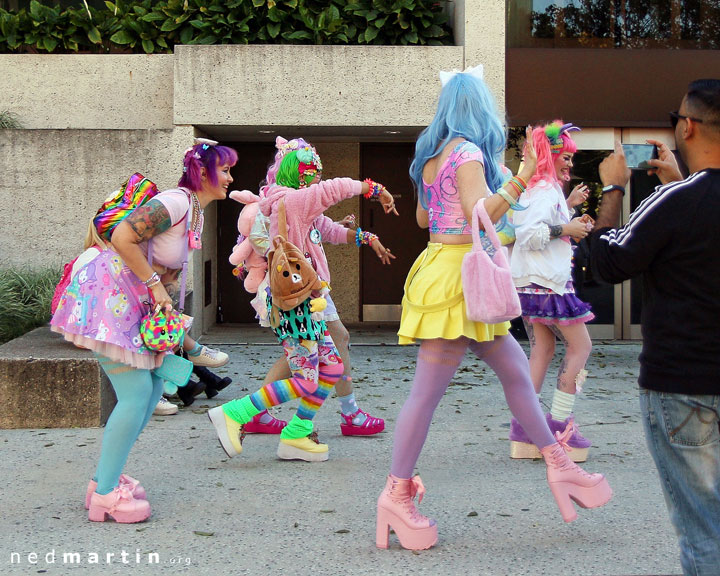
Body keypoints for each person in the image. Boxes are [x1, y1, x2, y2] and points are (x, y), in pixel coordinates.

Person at [375, 65, 612, 551]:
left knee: (515, 374)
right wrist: (522, 176)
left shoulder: (432, 156)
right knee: (428, 392)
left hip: (448, 270)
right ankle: (396, 495)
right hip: (462, 277)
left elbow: (426, 216)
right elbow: (482, 215)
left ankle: (559, 464)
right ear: (480, 109)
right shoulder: (464, 152)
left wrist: (506, 178)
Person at [51, 139, 238, 523]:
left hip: (126, 302)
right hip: (109, 298)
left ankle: (104, 479)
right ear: (203, 173)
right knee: (136, 394)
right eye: (226, 169)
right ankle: (105, 496)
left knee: (152, 390)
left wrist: (160, 285)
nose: (231, 177)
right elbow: (122, 236)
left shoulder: (194, 211)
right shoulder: (176, 200)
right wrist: (155, 283)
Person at [588, 78, 720, 576]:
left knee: (705, 530)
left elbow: (606, 261)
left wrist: (614, 188)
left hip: (683, 387)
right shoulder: (679, 199)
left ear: (687, 126)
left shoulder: (676, 202)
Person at [208, 143, 396, 462]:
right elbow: (334, 189)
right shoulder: (294, 201)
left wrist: (368, 238)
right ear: (298, 173)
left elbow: (331, 231)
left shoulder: (294, 206)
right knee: (306, 381)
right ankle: (236, 413)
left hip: (310, 302)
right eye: (312, 172)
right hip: (297, 307)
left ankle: (296, 434)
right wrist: (374, 188)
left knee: (332, 366)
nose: (317, 178)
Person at [508, 121, 596, 462]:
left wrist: (568, 208)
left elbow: (537, 228)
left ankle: (524, 427)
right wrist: (567, 227)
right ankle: (560, 424)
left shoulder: (542, 190)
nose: (570, 164)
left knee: (542, 350)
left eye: (572, 159)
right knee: (581, 346)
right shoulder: (543, 191)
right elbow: (529, 235)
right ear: (549, 155)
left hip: (535, 283)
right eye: (565, 157)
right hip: (548, 285)